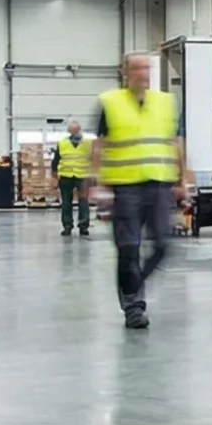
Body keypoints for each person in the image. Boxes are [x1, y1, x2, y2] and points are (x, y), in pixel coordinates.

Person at [86, 54, 190, 330]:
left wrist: (182, 181)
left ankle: (134, 285)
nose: (142, 73)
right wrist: (97, 183)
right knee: (128, 249)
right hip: (124, 187)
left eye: (146, 67)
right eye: (136, 68)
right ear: (125, 72)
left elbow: (175, 142)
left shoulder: (166, 102)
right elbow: (100, 145)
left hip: (159, 185)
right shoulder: (110, 102)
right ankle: (134, 307)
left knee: (163, 246)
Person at [53, 121, 91, 236]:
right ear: (69, 131)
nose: (74, 132)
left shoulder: (88, 143)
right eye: (72, 130)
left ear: (79, 130)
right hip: (66, 176)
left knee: (83, 202)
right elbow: (56, 159)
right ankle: (67, 226)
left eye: (76, 129)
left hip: (83, 176)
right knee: (66, 203)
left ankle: (83, 226)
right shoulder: (62, 143)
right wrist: (54, 172)